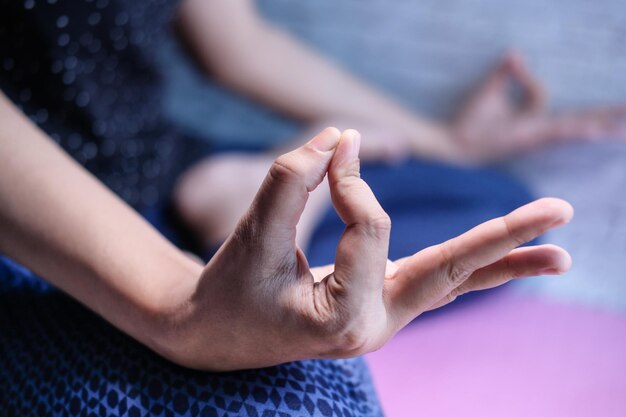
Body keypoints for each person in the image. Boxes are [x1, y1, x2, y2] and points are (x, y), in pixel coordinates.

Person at [0, 0, 618, 415]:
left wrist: (445, 143)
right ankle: (235, 226)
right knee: (308, 398)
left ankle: (236, 209)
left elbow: (239, 42)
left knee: (487, 208)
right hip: (31, 231)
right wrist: (185, 310)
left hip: (152, 161)